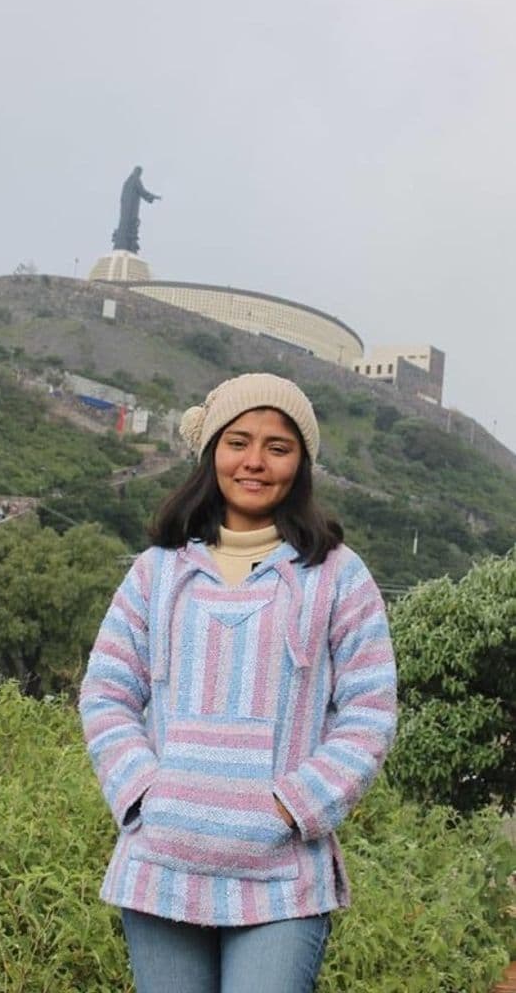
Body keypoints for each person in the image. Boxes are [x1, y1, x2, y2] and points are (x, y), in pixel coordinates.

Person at [80, 373, 397, 993]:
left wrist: (294, 805)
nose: (255, 462)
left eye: (277, 447)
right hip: (163, 863)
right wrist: (145, 795)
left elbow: (369, 712)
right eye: (238, 442)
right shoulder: (157, 572)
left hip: (281, 875)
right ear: (211, 453)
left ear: (301, 462)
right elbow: (107, 692)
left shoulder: (337, 575)